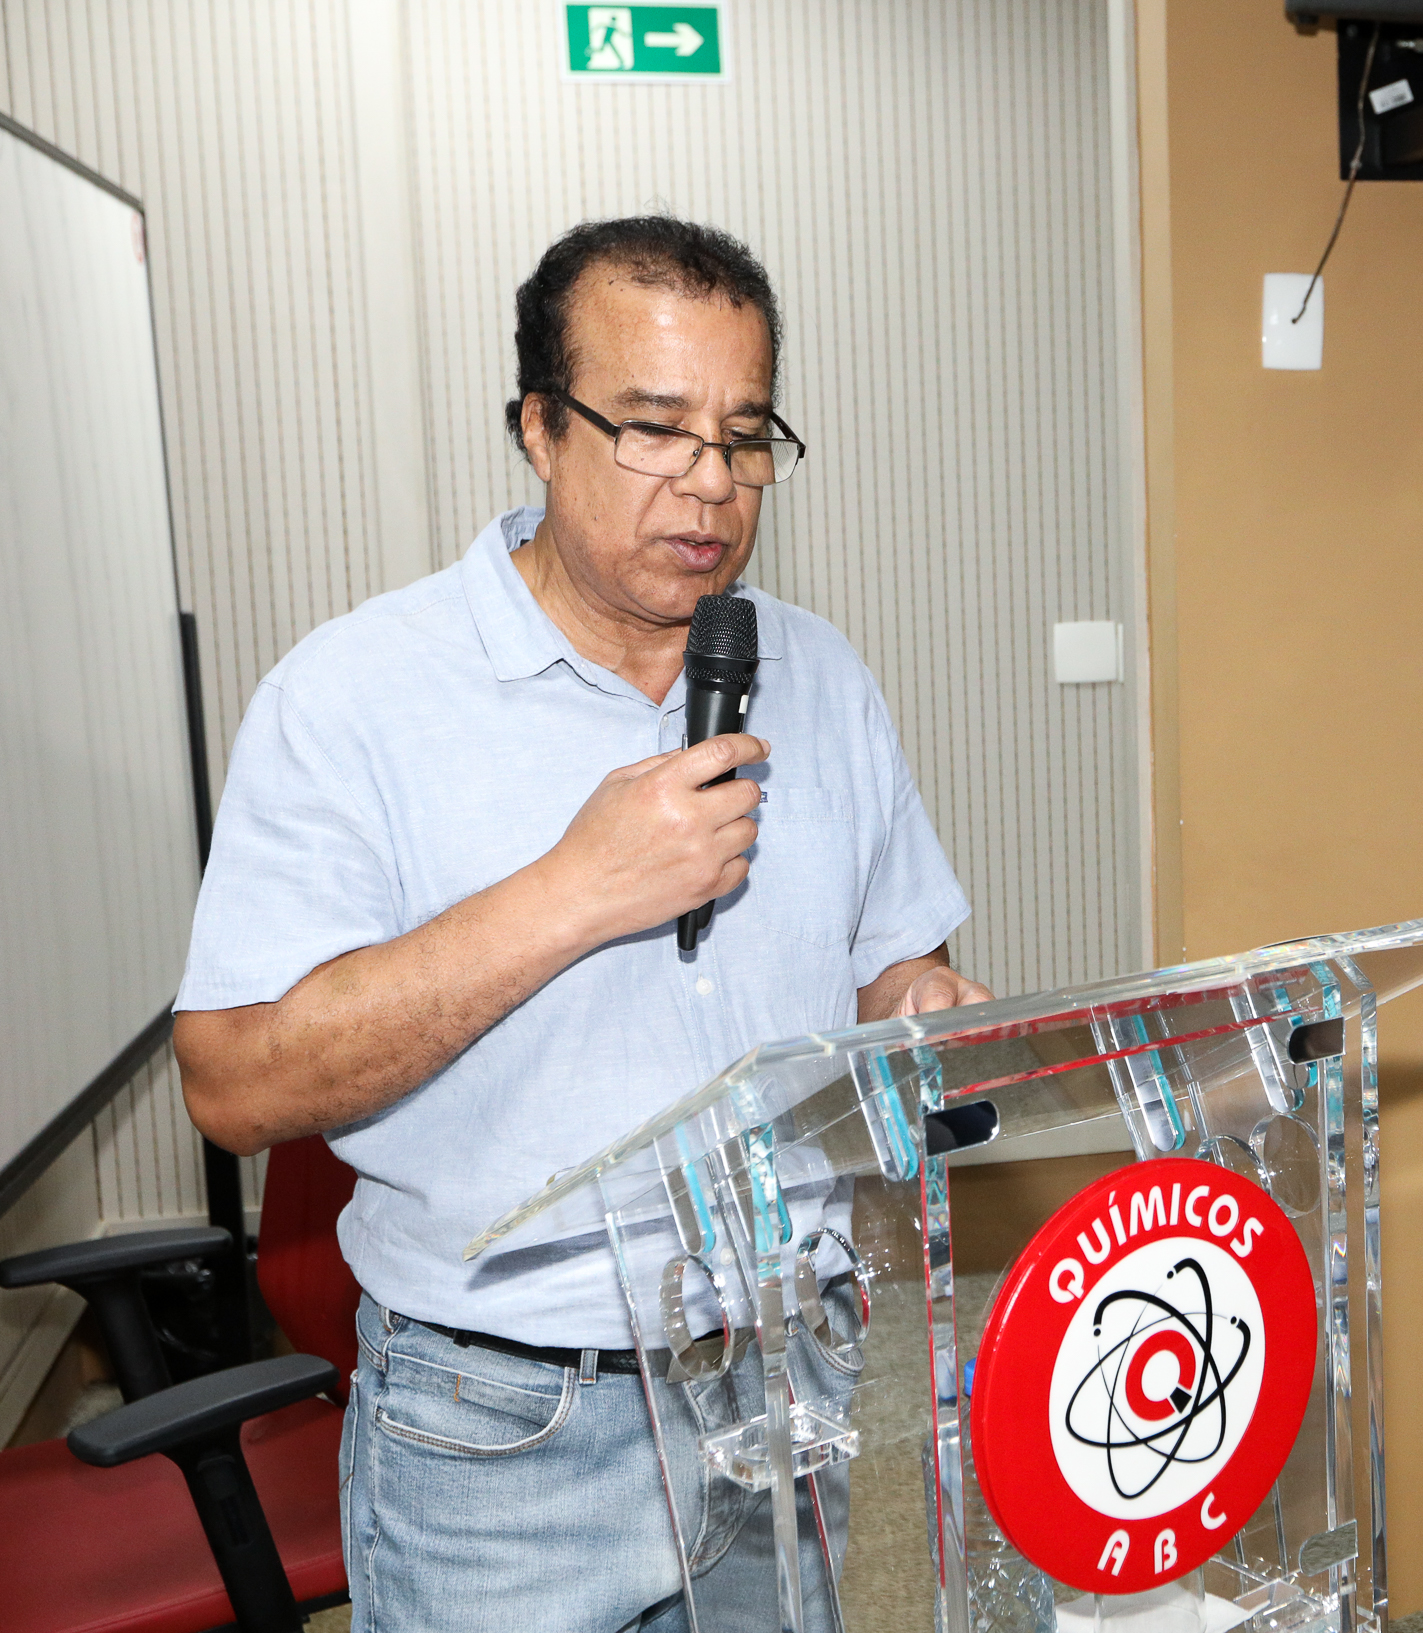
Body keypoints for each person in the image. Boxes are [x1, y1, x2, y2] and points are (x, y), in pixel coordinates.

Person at [172, 216, 988, 1631]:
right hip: (509, 1430)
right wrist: (577, 887)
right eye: (656, 430)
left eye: (745, 436)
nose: (712, 485)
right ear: (539, 428)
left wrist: (921, 1008)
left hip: (789, 1379)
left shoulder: (825, 673)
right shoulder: (356, 692)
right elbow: (234, 1081)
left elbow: (891, 961)